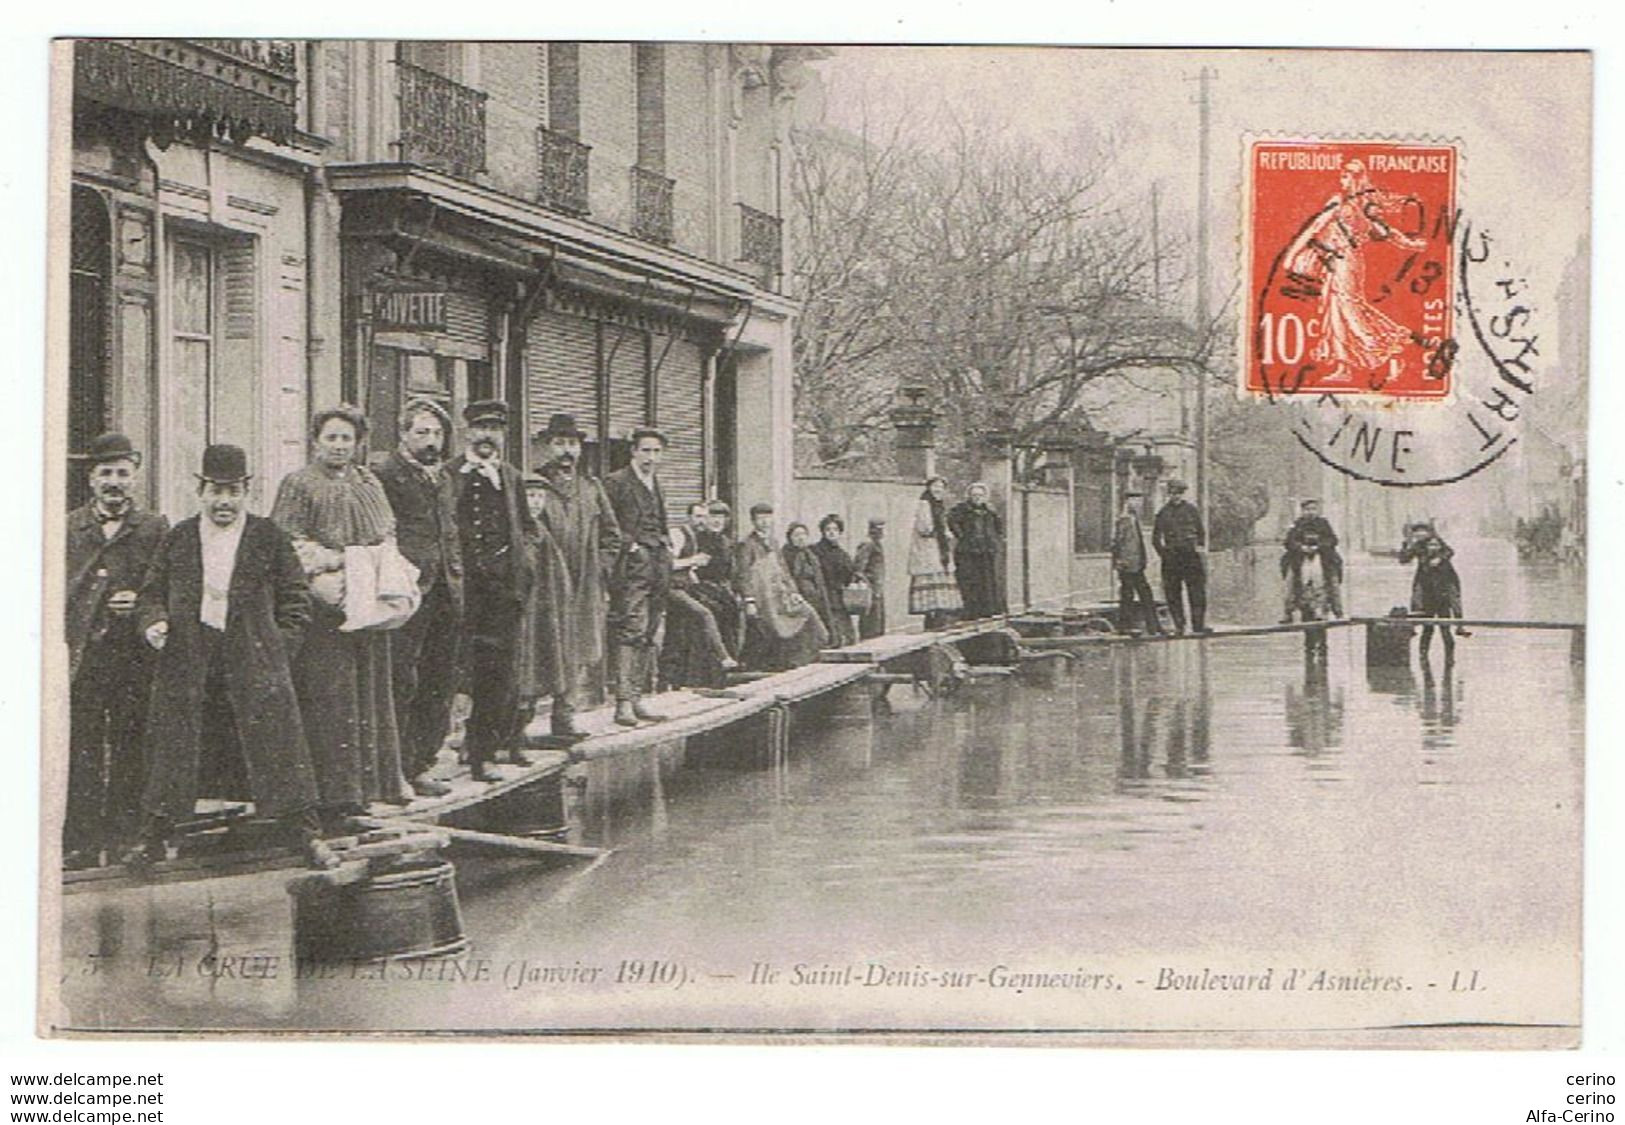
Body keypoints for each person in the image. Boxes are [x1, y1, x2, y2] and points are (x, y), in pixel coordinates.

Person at [128, 444, 336, 871]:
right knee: (174, 748)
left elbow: (296, 598)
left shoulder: (268, 537)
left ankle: (308, 836)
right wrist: (154, 622)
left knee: (280, 748)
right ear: (200, 490)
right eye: (216, 491)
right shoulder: (180, 537)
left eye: (233, 491)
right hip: (191, 657)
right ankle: (153, 838)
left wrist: (278, 646)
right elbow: (151, 593)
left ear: (246, 491)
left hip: (255, 658)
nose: (224, 501)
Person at [272, 405, 409, 827]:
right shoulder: (298, 484)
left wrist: (372, 566)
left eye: (346, 438)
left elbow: (387, 533)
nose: (339, 445)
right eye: (331, 437)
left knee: (369, 693)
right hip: (323, 609)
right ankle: (333, 795)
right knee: (331, 698)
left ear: (358, 442)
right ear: (316, 440)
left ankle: (368, 789)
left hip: (366, 604)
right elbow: (289, 542)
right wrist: (333, 563)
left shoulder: (368, 482)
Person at [63, 433, 169, 868]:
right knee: (83, 744)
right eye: (106, 473)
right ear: (91, 479)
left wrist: (139, 602)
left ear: (135, 478)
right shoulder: (70, 527)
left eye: (123, 473)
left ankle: (126, 836)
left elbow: (163, 584)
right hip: (84, 652)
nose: (115, 482)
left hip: (132, 655)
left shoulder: (153, 527)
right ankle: (81, 842)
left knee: (131, 742)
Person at [371, 399, 462, 797]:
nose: (430, 441)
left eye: (437, 433)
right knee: (401, 679)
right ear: (403, 435)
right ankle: (395, 770)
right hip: (407, 591)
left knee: (438, 679)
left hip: (445, 590)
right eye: (421, 432)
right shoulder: (384, 474)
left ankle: (422, 763)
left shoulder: (443, 476)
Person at [447, 400, 538, 780]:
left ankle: (483, 751)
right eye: (481, 428)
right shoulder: (449, 474)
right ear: (468, 432)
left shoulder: (512, 477)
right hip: (458, 589)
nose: (488, 436)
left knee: (496, 674)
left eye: (495, 429)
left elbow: (530, 530)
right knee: (446, 672)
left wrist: (523, 567)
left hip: (501, 592)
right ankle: (426, 758)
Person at [1281, 158, 1427, 386]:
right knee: (1335, 311)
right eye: (1342, 176)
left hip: (1346, 263)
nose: (1343, 180)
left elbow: (1386, 232)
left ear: (1357, 179)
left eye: (1346, 176)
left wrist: (1410, 244)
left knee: (1350, 310)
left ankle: (1392, 354)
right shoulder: (1350, 203)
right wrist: (1293, 253)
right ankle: (1343, 367)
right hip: (1336, 263)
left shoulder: (1360, 205)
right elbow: (1317, 227)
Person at [523, 413, 620, 741]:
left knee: (576, 652)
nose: (567, 451)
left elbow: (612, 536)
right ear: (548, 447)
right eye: (560, 443)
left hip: (583, 587)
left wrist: (601, 569)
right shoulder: (534, 486)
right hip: (544, 589)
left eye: (572, 444)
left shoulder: (592, 488)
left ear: (580, 449)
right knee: (539, 650)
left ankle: (564, 720)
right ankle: (517, 726)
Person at [603, 429, 673, 726]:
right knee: (631, 630)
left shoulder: (657, 484)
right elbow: (607, 525)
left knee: (649, 633)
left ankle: (636, 697)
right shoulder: (616, 482)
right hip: (631, 569)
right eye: (645, 451)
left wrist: (667, 542)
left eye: (656, 452)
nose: (651, 458)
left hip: (658, 567)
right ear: (633, 451)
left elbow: (661, 521)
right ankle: (622, 704)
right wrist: (631, 546)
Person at [736, 502, 826, 670]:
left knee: (807, 614)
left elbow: (783, 570)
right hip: (762, 597)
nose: (764, 522)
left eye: (767, 518)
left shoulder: (774, 542)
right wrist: (749, 601)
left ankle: (800, 660)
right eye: (760, 519)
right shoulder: (747, 544)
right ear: (753, 521)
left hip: (780, 594)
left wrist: (793, 592)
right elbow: (743, 574)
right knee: (774, 626)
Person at [663, 500, 741, 687]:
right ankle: (723, 658)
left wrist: (693, 573)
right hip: (670, 589)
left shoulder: (696, 536)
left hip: (684, 588)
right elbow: (666, 565)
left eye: (704, 516)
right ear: (688, 517)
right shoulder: (678, 534)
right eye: (698, 516)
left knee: (677, 635)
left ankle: (673, 681)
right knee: (704, 615)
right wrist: (693, 560)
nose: (702, 520)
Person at [1400, 522, 1470, 658]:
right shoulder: (1418, 547)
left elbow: (1449, 552)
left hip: (1443, 592)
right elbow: (1404, 559)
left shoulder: (1439, 544)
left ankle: (1450, 658)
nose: (1419, 535)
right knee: (1428, 628)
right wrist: (1406, 544)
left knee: (1445, 628)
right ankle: (1423, 657)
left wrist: (1439, 558)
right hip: (1427, 592)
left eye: (1422, 532)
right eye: (1417, 532)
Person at [1153, 478, 1209, 635]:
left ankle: (1198, 625)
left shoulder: (1192, 510)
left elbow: (1201, 531)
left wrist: (1199, 547)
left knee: (1197, 592)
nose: (1175, 496)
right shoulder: (1163, 513)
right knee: (1172, 593)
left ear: (1182, 494)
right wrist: (1164, 554)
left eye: (1178, 493)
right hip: (1172, 558)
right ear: (1168, 494)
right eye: (1172, 493)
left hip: (1191, 556)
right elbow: (1155, 538)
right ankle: (1179, 625)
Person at [908, 476, 961, 631]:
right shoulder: (924, 504)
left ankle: (939, 618)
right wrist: (942, 533)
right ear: (929, 488)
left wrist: (947, 533)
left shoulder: (939, 505)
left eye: (941, 487)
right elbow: (925, 528)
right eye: (935, 486)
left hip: (938, 548)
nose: (938, 489)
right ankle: (933, 619)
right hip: (928, 549)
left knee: (940, 580)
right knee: (931, 581)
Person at [947, 482, 1006, 620]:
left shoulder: (990, 511)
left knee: (986, 580)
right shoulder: (961, 509)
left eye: (980, 495)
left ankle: (987, 610)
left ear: (985, 496)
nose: (977, 498)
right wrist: (962, 536)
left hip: (986, 550)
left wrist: (993, 539)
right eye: (974, 495)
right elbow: (951, 521)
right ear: (969, 496)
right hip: (967, 551)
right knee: (969, 580)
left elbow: (998, 527)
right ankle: (970, 611)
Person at [1280, 498, 1344, 622]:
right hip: (1300, 558)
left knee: (1331, 582)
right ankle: (1288, 611)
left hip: (1321, 557)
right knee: (1291, 582)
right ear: (1302, 511)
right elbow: (1289, 542)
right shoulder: (1297, 524)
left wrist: (1318, 547)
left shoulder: (1323, 524)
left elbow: (1332, 540)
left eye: (1313, 509)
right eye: (1307, 509)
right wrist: (1301, 548)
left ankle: (1336, 610)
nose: (1310, 512)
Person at [1110, 489, 1161, 637]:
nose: (1138, 504)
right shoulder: (1125, 520)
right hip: (1128, 565)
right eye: (1134, 501)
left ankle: (1152, 627)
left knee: (1140, 595)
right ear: (1127, 502)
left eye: (1139, 501)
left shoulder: (1133, 519)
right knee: (1131, 595)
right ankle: (1131, 627)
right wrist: (1119, 561)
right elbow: (1117, 543)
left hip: (1136, 565)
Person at [784, 522, 841, 649]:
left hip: (815, 595)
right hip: (798, 596)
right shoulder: (787, 555)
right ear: (790, 537)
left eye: (804, 534)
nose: (801, 537)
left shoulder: (810, 554)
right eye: (797, 535)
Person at [811, 513, 859, 647]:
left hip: (838, 598)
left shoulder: (842, 554)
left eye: (835, 530)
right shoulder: (814, 551)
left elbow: (849, 576)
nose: (831, 533)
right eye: (828, 530)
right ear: (822, 532)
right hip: (821, 597)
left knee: (848, 637)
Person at [852, 518, 888, 640]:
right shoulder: (868, 544)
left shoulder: (877, 544)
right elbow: (858, 568)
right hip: (871, 588)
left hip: (877, 588)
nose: (880, 532)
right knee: (871, 621)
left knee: (878, 621)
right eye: (877, 529)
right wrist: (868, 583)